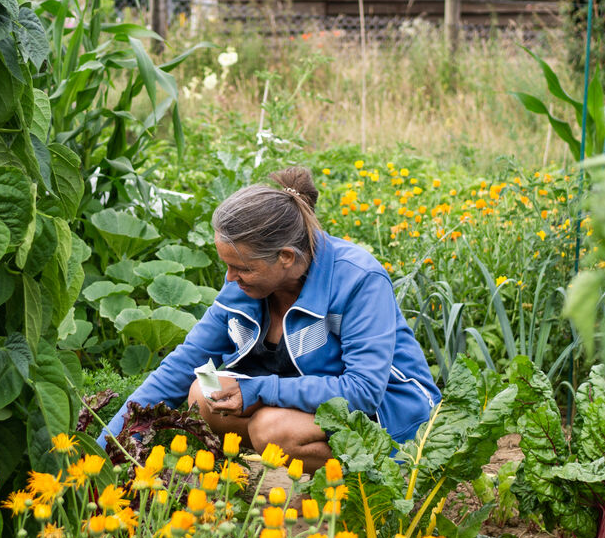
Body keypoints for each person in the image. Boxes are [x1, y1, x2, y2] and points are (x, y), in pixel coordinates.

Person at [98, 167, 440, 469]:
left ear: (286, 257)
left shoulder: (358, 280)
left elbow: (363, 391)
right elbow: (183, 363)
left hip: (391, 415)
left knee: (271, 430)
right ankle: (290, 458)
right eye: (227, 265)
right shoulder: (245, 286)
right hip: (301, 406)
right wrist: (105, 450)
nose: (230, 278)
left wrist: (258, 390)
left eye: (242, 267)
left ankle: (381, 475)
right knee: (203, 392)